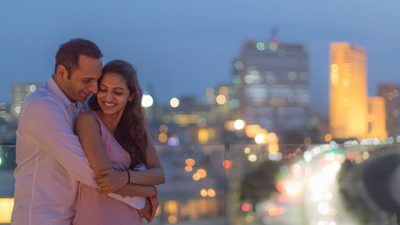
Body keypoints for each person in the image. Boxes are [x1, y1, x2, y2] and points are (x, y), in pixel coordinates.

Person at [11, 39, 163, 225]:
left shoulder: (79, 106)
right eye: (87, 80)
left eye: (96, 80)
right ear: (61, 73)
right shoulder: (42, 106)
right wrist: (143, 198)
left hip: (71, 217)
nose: (93, 89)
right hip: (40, 218)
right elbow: (90, 172)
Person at [72, 60, 165, 224]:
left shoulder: (136, 128)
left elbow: (159, 174)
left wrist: (125, 177)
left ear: (131, 95)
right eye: (103, 89)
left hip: (129, 217)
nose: (108, 98)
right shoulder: (88, 120)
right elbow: (106, 181)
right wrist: (150, 191)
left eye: (118, 92)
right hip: (96, 216)